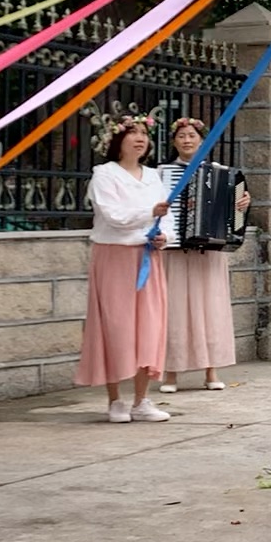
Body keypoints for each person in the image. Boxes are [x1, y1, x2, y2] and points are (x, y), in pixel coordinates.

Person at [80, 114, 174, 423]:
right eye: (132, 132)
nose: (139, 138)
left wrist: (164, 237)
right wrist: (149, 212)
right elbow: (112, 215)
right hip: (115, 257)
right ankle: (115, 400)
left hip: (148, 256)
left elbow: (167, 219)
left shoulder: (153, 176)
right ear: (116, 140)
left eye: (144, 133)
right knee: (116, 327)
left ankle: (142, 399)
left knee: (148, 327)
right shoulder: (104, 174)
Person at [157, 117, 250, 393]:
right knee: (174, 310)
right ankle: (171, 374)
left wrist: (242, 203)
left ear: (203, 140)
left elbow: (236, 212)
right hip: (175, 251)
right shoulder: (162, 173)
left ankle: (211, 372)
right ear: (174, 141)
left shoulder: (222, 173)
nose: (187, 140)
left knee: (212, 309)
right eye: (181, 136)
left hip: (209, 253)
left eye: (192, 136)